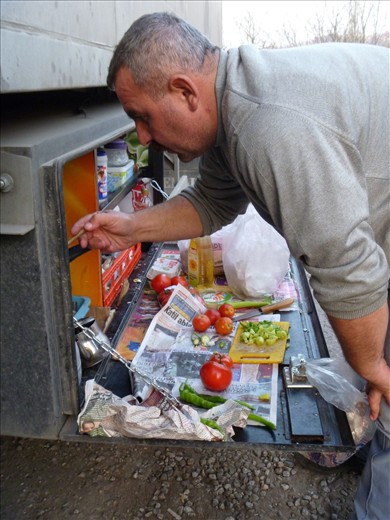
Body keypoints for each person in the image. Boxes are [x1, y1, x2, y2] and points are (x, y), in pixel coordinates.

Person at [71, 12, 390, 519]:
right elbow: (213, 203)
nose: (142, 136)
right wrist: (129, 227)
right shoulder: (231, 107)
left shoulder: (269, 127)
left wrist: (374, 366)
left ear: (184, 91)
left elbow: (348, 270)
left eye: (143, 116)